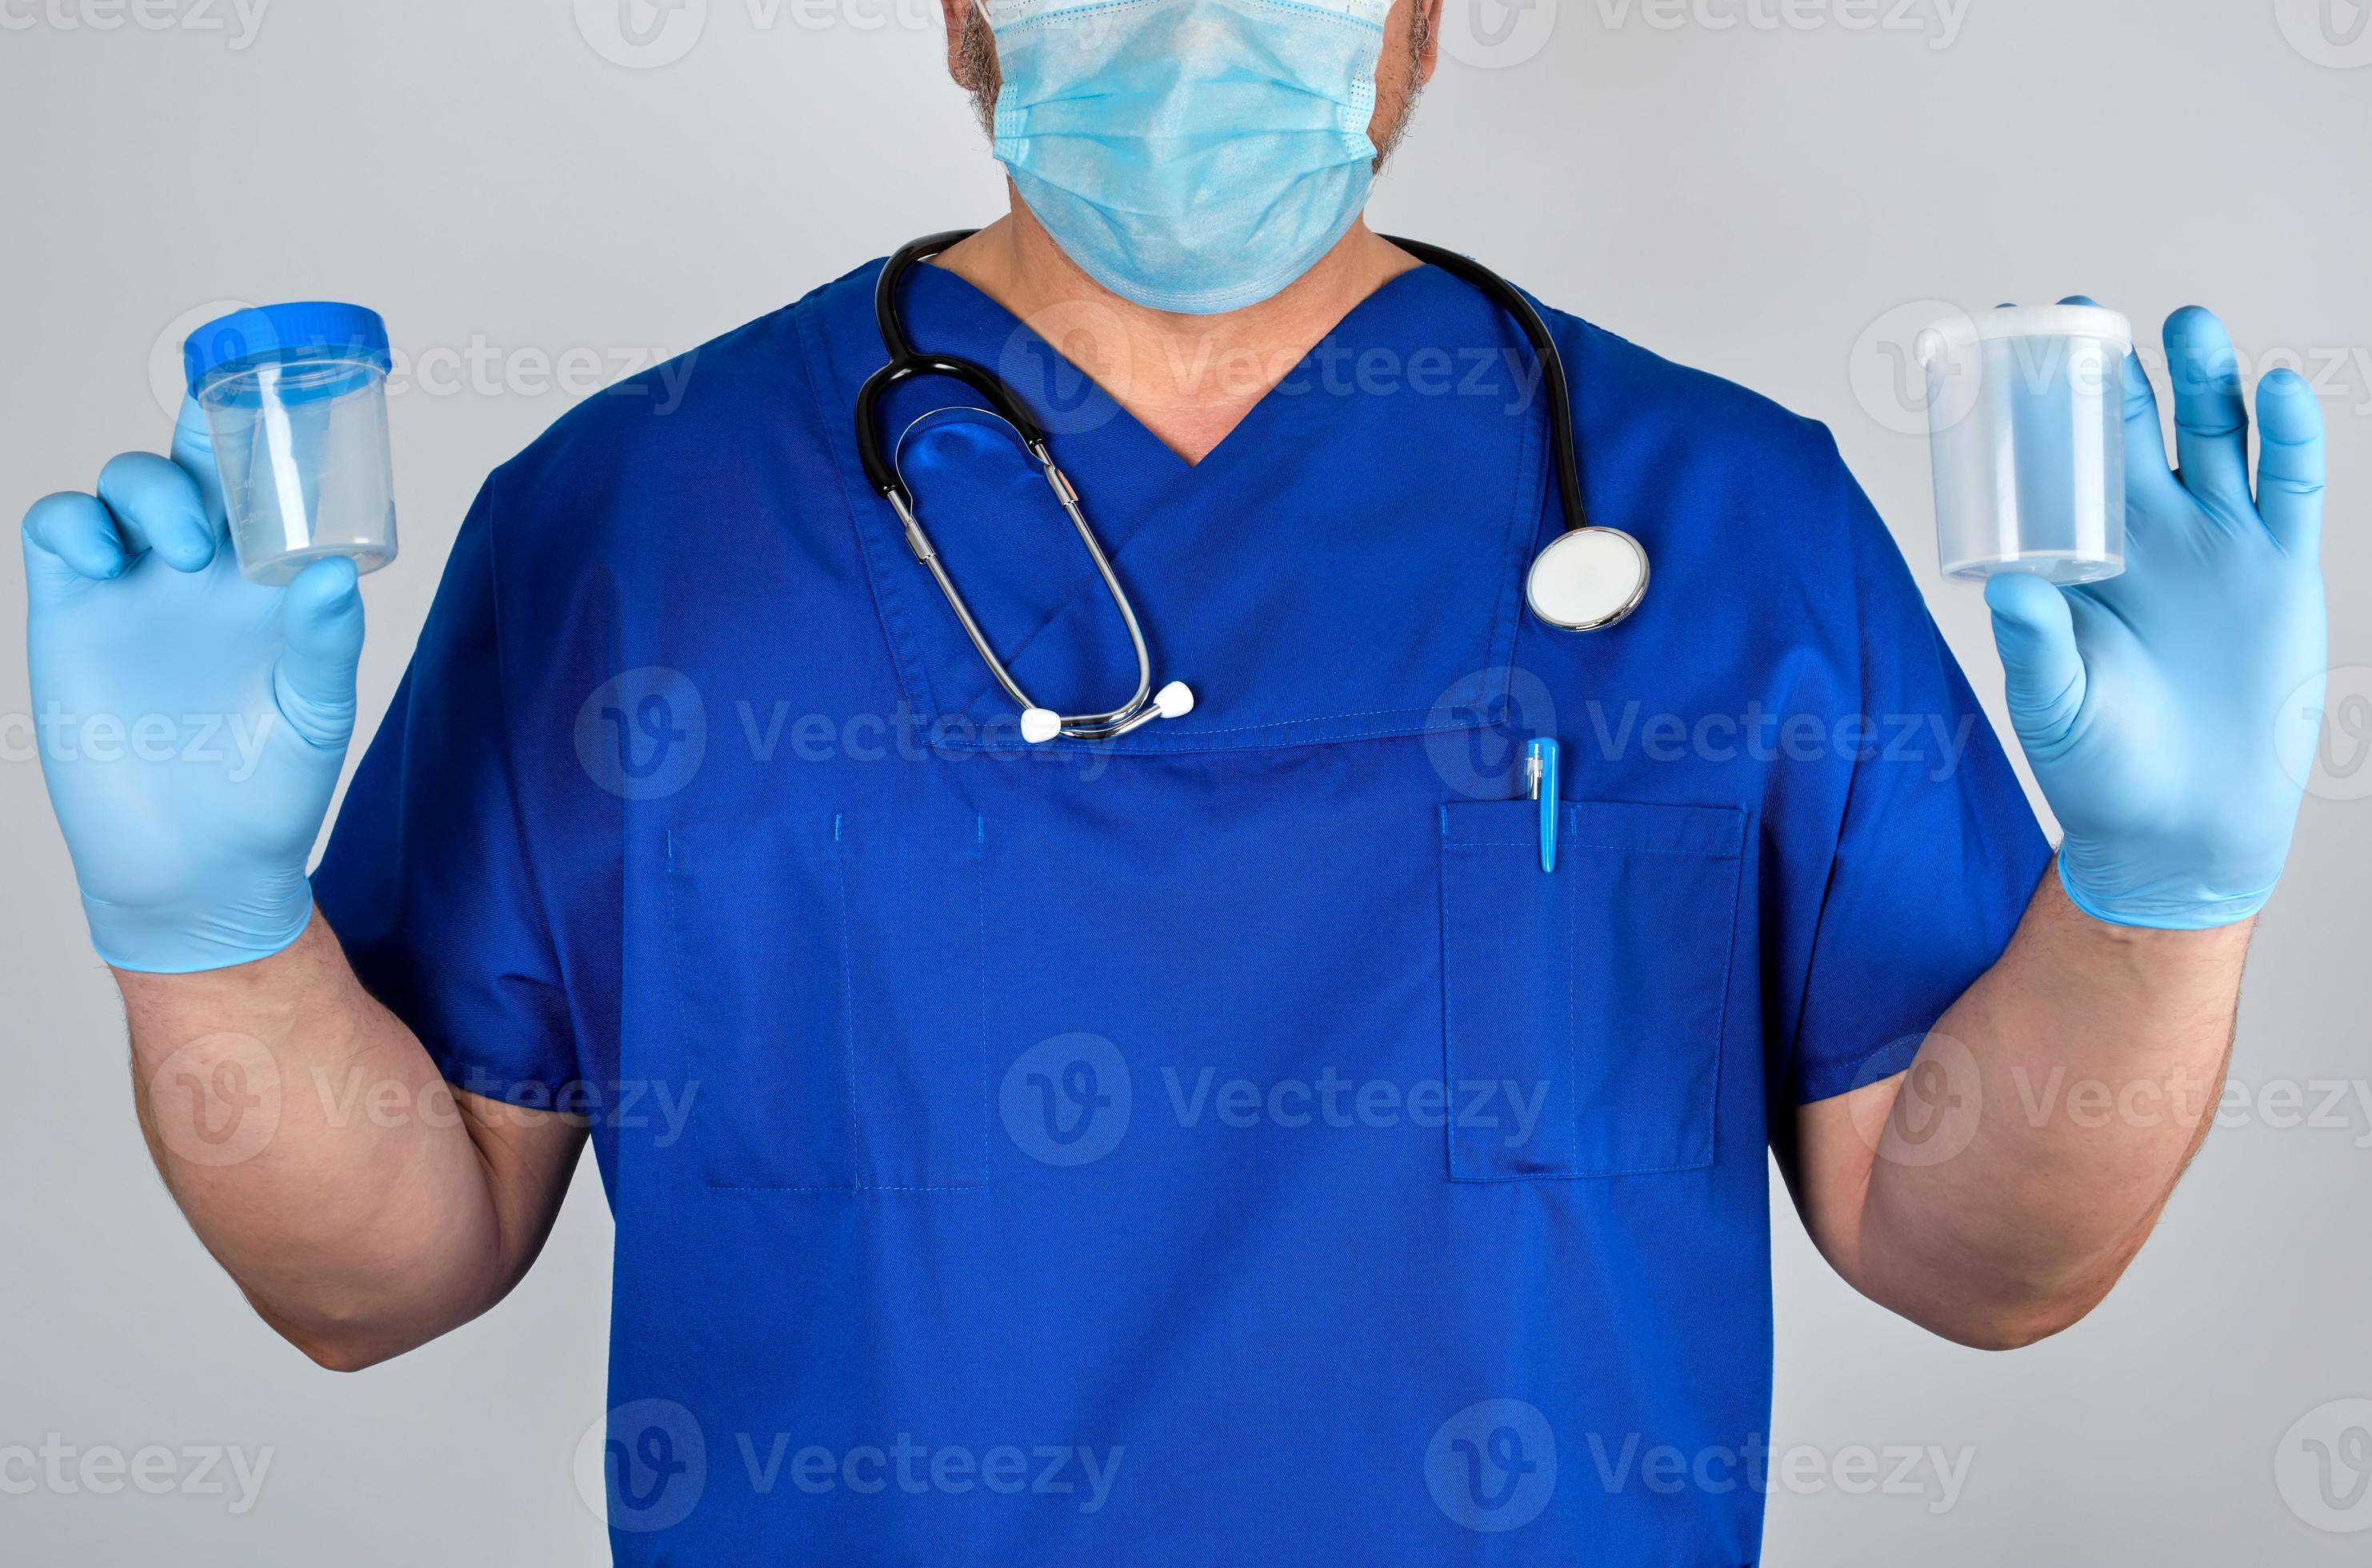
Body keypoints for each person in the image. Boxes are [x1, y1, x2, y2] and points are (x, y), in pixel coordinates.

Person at [18, 1, 2330, 1560]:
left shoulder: (1726, 511)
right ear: (956, 11)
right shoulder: (631, 516)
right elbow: (382, 1279)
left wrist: (2165, 890)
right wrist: (206, 927)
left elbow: (1983, 1269)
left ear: (1421, 16)